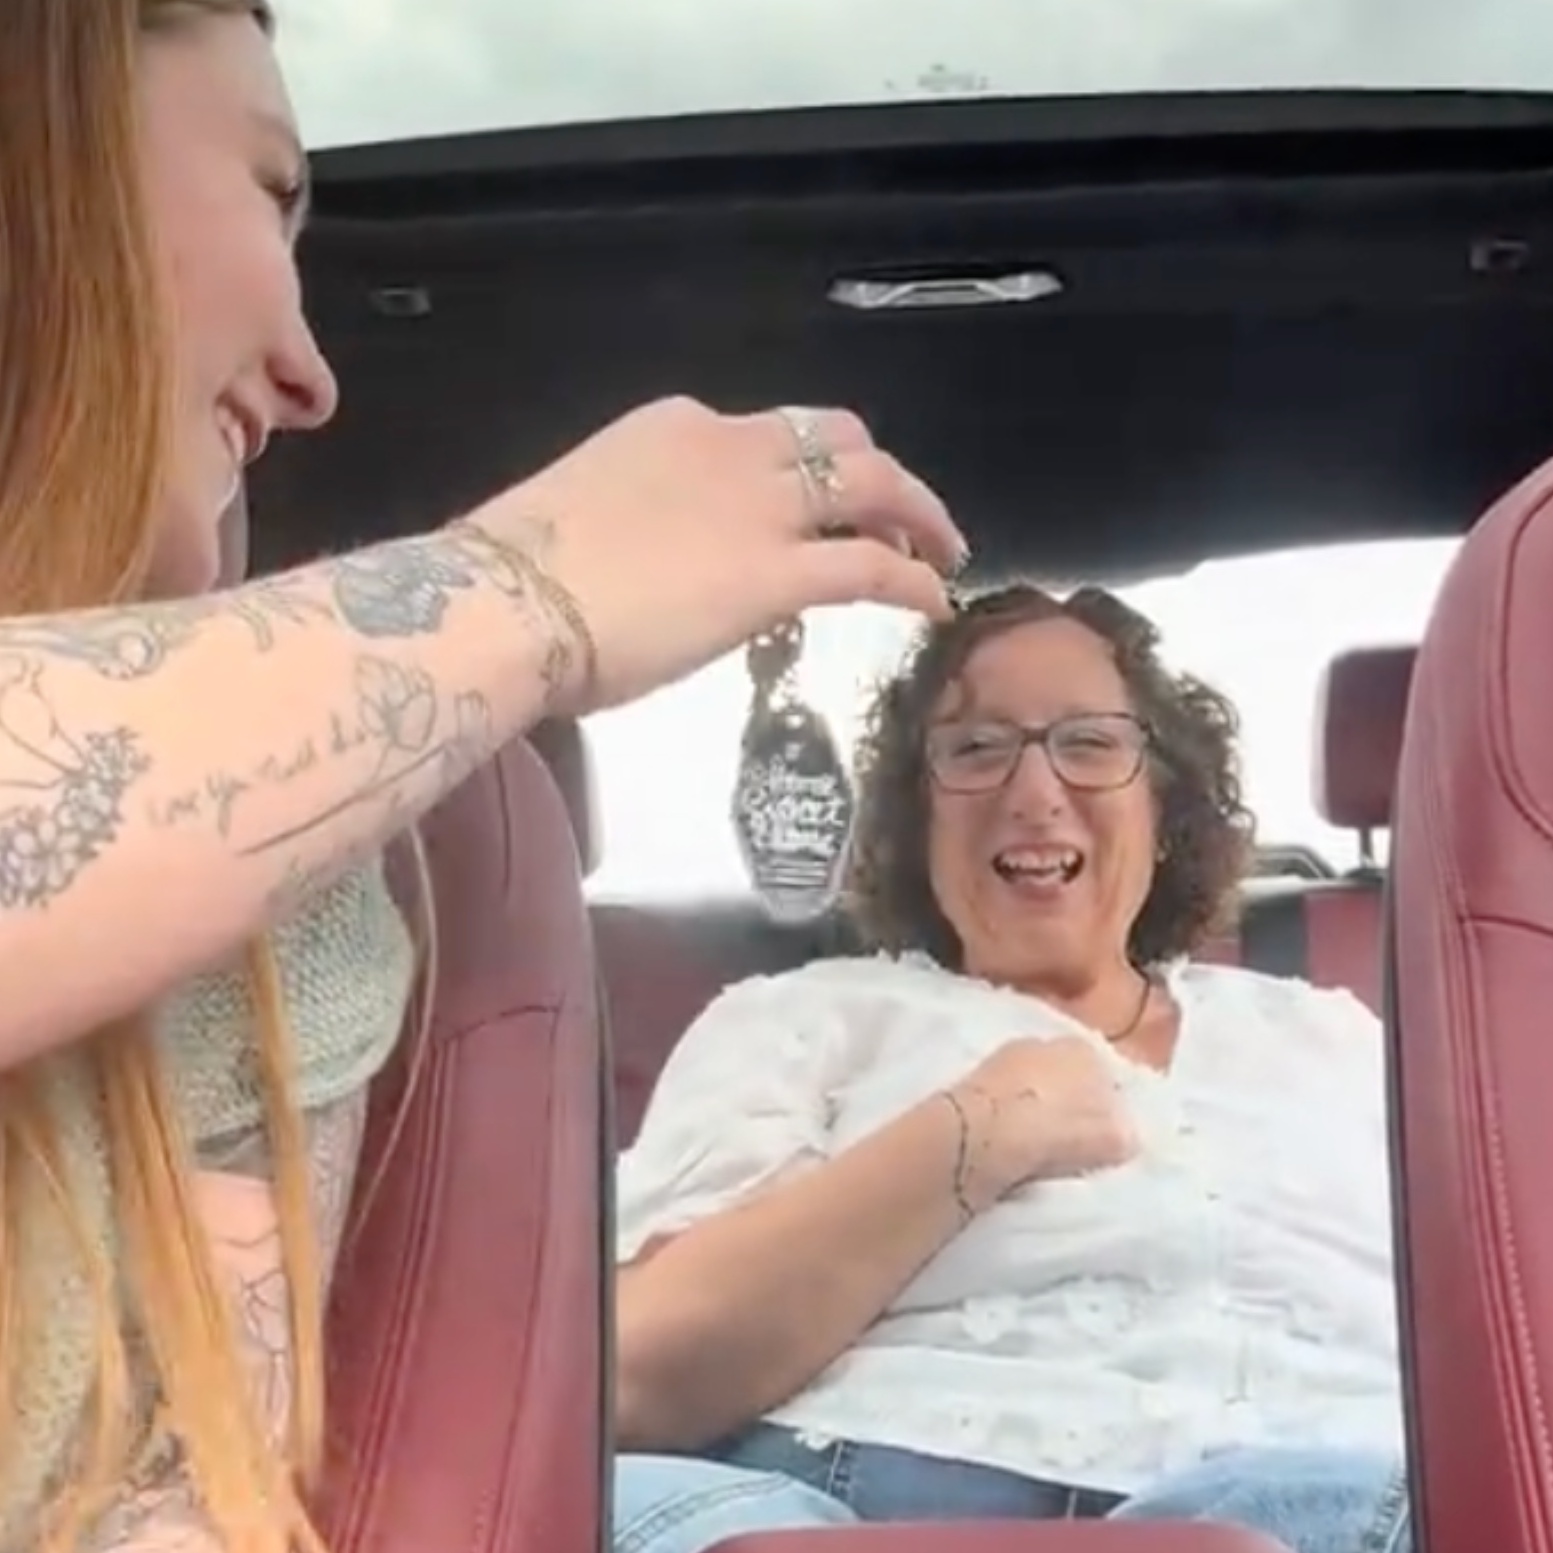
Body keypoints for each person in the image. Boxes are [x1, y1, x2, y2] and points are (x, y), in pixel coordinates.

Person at [0, 6, 967, 1552]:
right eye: (270, 191)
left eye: (1090, 743)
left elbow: (180, 1507)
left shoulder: (285, 926)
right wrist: (518, 596)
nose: (312, 377)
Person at [612, 584, 1412, 1553]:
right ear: (916, 818)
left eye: (1087, 742)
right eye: (976, 749)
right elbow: (634, 1374)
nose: (1033, 792)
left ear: (1161, 805)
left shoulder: (1335, 1036)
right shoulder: (801, 1017)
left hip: (1324, 1490)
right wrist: (980, 1126)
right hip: (864, 1492)